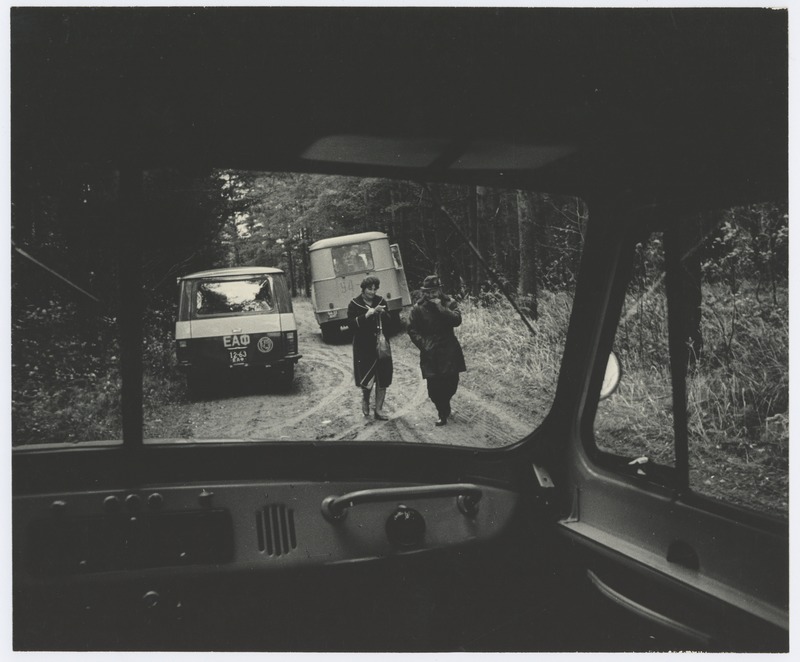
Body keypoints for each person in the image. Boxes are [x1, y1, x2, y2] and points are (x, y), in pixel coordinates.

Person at [408, 275, 466, 426]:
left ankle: (445, 405)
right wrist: (424, 344)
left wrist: (441, 308)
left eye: (434, 291)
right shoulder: (418, 308)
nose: (431, 295)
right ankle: (442, 412)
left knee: (452, 383)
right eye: (428, 292)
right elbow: (412, 330)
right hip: (430, 350)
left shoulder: (449, 303)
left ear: (440, 290)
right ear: (424, 292)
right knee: (433, 388)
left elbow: (457, 320)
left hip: (449, 348)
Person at [347, 276, 393, 420]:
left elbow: (391, 323)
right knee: (367, 379)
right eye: (369, 289)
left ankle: (379, 410)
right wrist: (367, 315)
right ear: (363, 288)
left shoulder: (381, 301)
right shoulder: (354, 304)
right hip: (363, 346)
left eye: (375, 289)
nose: (372, 292)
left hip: (381, 344)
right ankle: (365, 399)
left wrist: (383, 314)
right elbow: (350, 325)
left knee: (383, 377)